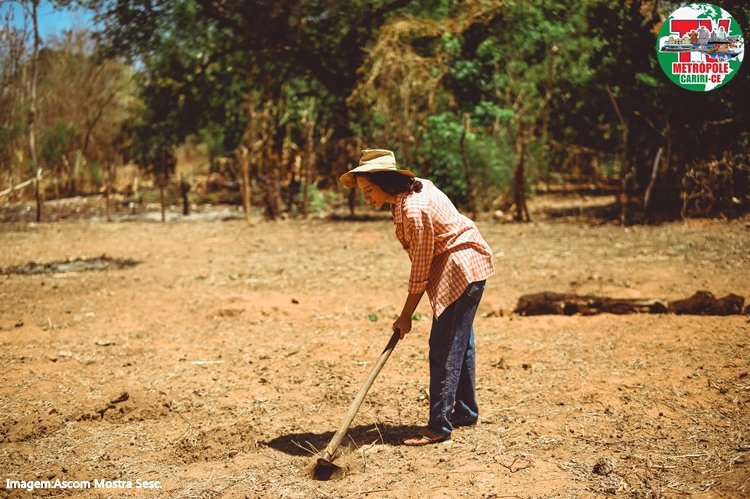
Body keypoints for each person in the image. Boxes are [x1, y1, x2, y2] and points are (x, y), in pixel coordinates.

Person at [340, 149, 495, 446]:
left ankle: (439, 427)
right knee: (460, 343)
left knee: (444, 348)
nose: (366, 197)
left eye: (369, 190)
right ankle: (463, 411)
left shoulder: (414, 210)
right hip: (467, 262)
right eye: (363, 192)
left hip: (461, 268)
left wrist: (405, 315)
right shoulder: (414, 189)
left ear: (386, 182)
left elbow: (420, 270)